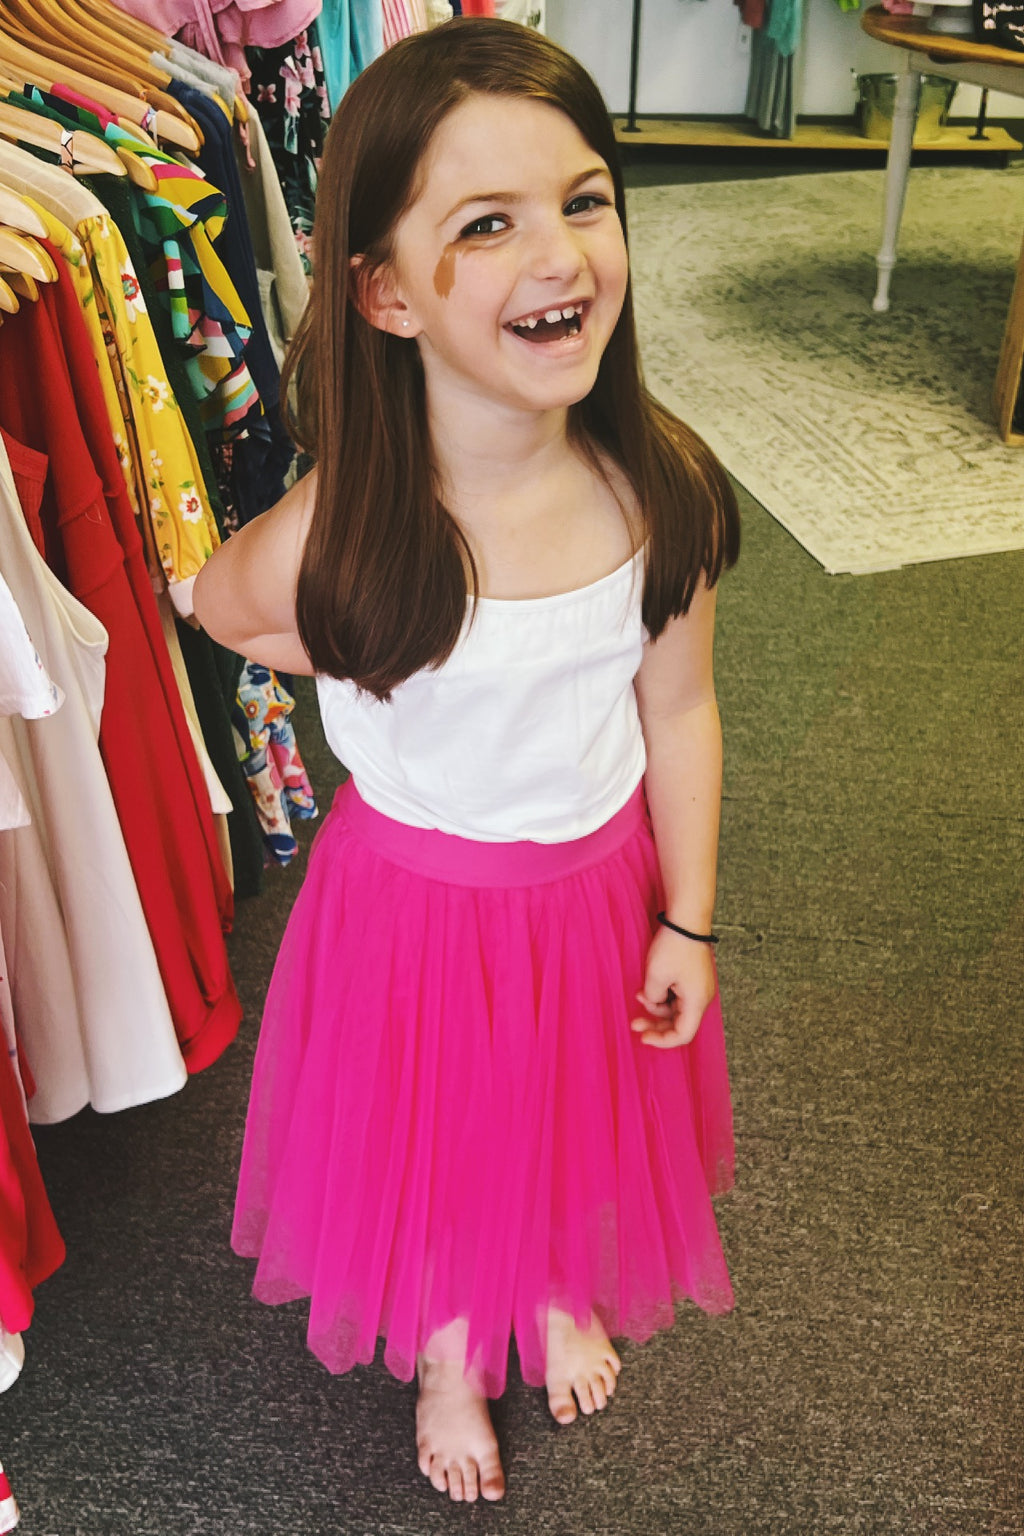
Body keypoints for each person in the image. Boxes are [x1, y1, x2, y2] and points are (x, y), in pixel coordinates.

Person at [193, 16, 741, 1506]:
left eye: (583, 199)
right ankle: (448, 1347)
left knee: (566, 1115)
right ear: (384, 291)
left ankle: (551, 1283)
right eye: (486, 225)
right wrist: (357, 639)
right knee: (432, 1140)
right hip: (413, 910)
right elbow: (221, 607)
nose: (559, 255)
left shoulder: (658, 490)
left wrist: (689, 918)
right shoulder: (348, 527)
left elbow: (681, 710)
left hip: (594, 893)